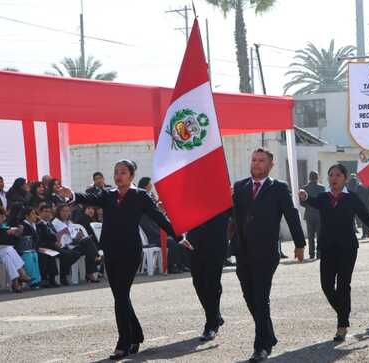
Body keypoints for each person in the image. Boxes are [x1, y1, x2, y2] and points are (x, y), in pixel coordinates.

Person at [62, 159, 182, 360]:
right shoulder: (108, 194)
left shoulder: (140, 196)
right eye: (116, 172)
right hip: (111, 250)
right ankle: (136, 335)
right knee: (120, 295)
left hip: (130, 251)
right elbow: (88, 197)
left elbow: (158, 218)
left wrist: (179, 236)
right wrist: (72, 195)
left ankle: (123, 342)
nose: (118, 176)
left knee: (121, 294)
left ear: (132, 176)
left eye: (123, 172)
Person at [299, 164, 369, 341]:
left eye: (338, 175)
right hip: (326, 247)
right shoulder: (324, 197)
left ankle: (341, 325)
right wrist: (304, 197)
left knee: (343, 285)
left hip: (347, 248)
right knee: (326, 285)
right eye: (331, 175)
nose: (334, 178)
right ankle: (344, 314)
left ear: (345, 178)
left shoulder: (352, 198)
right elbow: (311, 201)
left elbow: (366, 216)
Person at [232, 148, 306, 362]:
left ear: (270, 165)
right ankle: (269, 335)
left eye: (261, 160)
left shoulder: (279, 188)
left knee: (261, 298)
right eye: (254, 159)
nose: (256, 163)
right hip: (243, 250)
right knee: (249, 296)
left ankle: (261, 347)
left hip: (266, 252)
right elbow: (231, 215)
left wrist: (300, 243)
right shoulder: (239, 187)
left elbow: (291, 215)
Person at [182, 210, 230, 342]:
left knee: (213, 282)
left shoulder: (222, 191)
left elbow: (233, 211)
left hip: (216, 240)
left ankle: (211, 325)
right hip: (194, 240)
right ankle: (215, 314)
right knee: (198, 282)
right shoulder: (190, 191)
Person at [51, 204, 100, 283]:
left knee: (88, 242)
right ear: (58, 212)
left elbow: (73, 236)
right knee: (87, 245)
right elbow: (62, 240)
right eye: (63, 211)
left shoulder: (69, 222)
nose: (65, 213)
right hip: (64, 247)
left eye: (67, 211)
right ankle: (95, 263)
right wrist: (75, 239)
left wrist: (78, 237)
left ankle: (91, 269)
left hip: (74, 244)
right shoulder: (55, 223)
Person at [0, 206, 32, 292]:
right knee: (9, 249)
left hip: (4, 252)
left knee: (8, 255)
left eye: (3, 216)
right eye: (0, 216)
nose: (3, 218)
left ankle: (15, 282)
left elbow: (10, 242)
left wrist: (17, 234)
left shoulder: (4, 226)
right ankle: (22, 274)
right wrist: (8, 233)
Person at [36, 205, 80, 287]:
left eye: (49, 212)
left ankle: (62, 274)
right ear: (40, 213)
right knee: (66, 255)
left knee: (75, 254)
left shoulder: (49, 224)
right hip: (46, 247)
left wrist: (57, 241)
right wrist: (55, 242)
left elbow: (55, 236)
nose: (47, 214)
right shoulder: (39, 224)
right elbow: (41, 239)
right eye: (45, 211)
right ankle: (53, 278)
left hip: (55, 246)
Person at [301, 171, 325, 259]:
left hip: (309, 214)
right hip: (319, 214)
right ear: (317, 177)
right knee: (319, 235)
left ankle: (311, 254)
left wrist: (308, 207)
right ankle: (319, 253)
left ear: (309, 178)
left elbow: (302, 202)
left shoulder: (304, 188)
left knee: (310, 236)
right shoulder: (322, 188)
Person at [19, 206, 43, 289]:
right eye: (33, 214)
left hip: (33, 249)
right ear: (26, 216)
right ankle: (32, 280)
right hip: (24, 250)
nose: (35, 216)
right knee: (30, 256)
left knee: (35, 255)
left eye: (35, 214)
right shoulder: (23, 225)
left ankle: (37, 279)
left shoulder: (35, 225)